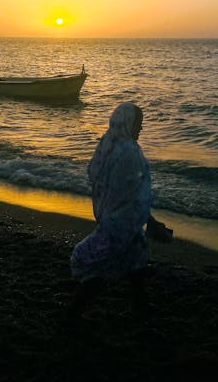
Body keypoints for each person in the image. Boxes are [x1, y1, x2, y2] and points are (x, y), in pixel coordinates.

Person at [69, 101, 166, 318]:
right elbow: (132, 194)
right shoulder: (129, 152)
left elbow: (95, 175)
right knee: (102, 272)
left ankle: (140, 306)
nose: (140, 128)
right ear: (128, 123)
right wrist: (151, 223)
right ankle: (72, 314)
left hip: (114, 218)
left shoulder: (108, 144)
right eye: (138, 124)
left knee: (135, 267)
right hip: (122, 224)